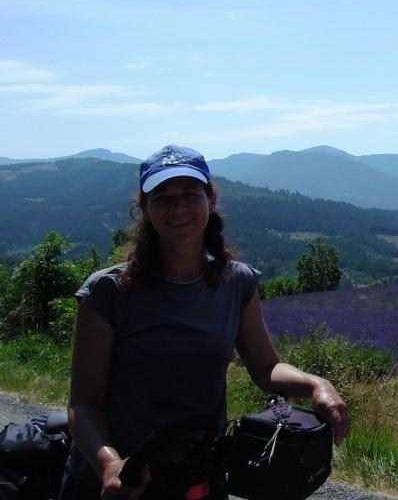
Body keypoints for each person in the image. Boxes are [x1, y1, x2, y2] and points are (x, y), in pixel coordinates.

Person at [60, 145, 350, 499]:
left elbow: (266, 367)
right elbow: (83, 404)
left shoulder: (237, 283)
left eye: (189, 194)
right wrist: (109, 463)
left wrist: (315, 384)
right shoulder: (108, 292)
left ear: (210, 200)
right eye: (163, 197)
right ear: (145, 208)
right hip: (120, 483)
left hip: (197, 477)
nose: (178, 207)